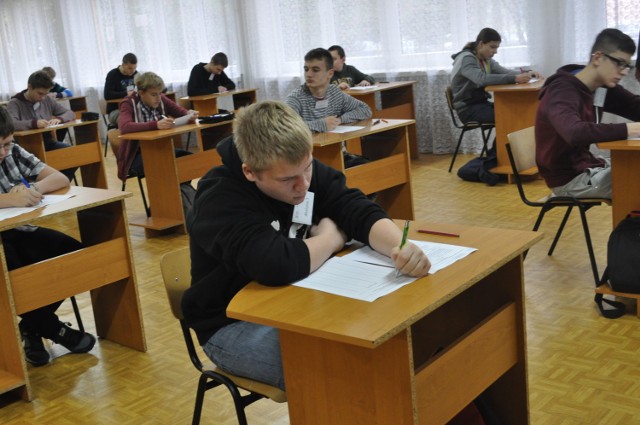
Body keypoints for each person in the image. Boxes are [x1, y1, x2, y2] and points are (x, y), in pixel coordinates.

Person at [182, 100, 431, 390]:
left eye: (308, 168)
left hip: (296, 301)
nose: (303, 185)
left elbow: (354, 208)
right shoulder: (220, 197)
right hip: (231, 324)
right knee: (348, 372)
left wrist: (398, 248)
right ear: (250, 172)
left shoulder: (297, 167)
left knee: (396, 342)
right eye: (288, 179)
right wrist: (331, 238)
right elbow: (277, 264)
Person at [0, 107, 96, 367]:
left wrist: (33, 188)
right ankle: (53, 329)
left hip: (21, 230)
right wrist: (7, 199)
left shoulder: (14, 151)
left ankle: (32, 327)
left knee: (78, 257)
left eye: (6, 145)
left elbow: (59, 177)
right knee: (18, 281)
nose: (2, 153)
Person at [535, 28, 640, 200]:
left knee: (633, 172)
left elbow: (635, 106)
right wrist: (633, 129)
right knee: (633, 183)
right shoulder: (561, 91)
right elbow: (575, 132)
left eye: (627, 66)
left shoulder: (600, 87)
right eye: (619, 63)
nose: (624, 72)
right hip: (568, 179)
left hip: (589, 167)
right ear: (598, 58)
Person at [117, 71, 198, 185]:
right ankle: (168, 197)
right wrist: (155, 125)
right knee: (166, 163)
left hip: (160, 148)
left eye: (160, 93)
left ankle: (180, 193)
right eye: (154, 94)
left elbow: (180, 111)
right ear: (141, 92)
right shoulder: (128, 103)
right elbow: (124, 127)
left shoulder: (161, 99)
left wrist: (190, 114)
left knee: (189, 160)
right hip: (136, 155)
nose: (158, 98)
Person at [450, 27, 539, 124]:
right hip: (468, 109)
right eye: (492, 47)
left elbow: (504, 72)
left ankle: (504, 140)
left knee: (519, 111)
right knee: (513, 116)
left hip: (482, 104)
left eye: (497, 48)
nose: (495, 51)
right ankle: (503, 140)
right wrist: (515, 78)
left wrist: (527, 73)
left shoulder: (485, 59)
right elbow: (481, 79)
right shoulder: (466, 58)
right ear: (481, 44)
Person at [7, 70, 76, 180]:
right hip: (26, 147)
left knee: (73, 155)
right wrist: (34, 123)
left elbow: (70, 113)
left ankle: (60, 183)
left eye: (46, 94)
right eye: (40, 93)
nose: (43, 97)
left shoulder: (47, 99)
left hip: (47, 143)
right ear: (29, 87)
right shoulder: (15, 103)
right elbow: (11, 124)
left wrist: (59, 118)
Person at [104, 53, 139, 125]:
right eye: (129, 68)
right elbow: (107, 95)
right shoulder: (112, 74)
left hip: (131, 108)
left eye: (134, 68)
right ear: (123, 65)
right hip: (115, 110)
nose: (132, 71)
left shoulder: (136, 74)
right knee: (129, 119)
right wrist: (126, 93)